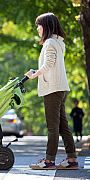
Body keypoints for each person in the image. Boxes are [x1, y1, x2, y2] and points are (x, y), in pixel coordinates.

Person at [25, 12, 78, 170]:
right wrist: (38, 71)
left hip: (52, 89)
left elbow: (48, 64)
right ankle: (72, 159)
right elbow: (51, 64)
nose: (38, 29)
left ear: (46, 26)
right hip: (60, 88)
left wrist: (34, 75)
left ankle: (49, 161)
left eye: (39, 26)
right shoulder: (57, 42)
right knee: (63, 126)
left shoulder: (49, 43)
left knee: (52, 127)